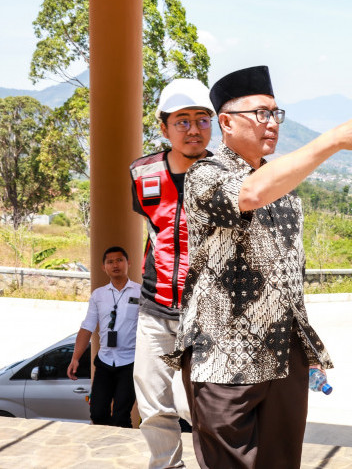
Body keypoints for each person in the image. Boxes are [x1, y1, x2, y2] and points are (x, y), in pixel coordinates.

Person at [161, 65, 352, 468]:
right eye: (260, 113)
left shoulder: (286, 195)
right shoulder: (206, 174)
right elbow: (250, 193)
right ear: (226, 123)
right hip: (223, 362)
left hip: (283, 359)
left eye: (275, 114)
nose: (271, 123)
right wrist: (334, 140)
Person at [130, 78, 215, 468]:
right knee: (152, 403)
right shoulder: (142, 174)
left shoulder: (227, 175)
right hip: (155, 307)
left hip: (210, 315)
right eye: (182, 121)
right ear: (163, 128)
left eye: (202, 119)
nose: (193, 129)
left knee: (212, 410)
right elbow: (154, 230)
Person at [67, 246, 141, 428]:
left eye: (119, 260)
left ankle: (119, 452)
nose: (115, 265)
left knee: (121, 416)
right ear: (104, 267)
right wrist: (75, 358)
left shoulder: (141, 293)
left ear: (128, 263)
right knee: (97, 412)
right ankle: (105, 445)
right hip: (105, 360)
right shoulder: (98, 295)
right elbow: (87, 327)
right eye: (110, 262)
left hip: (130, 362)